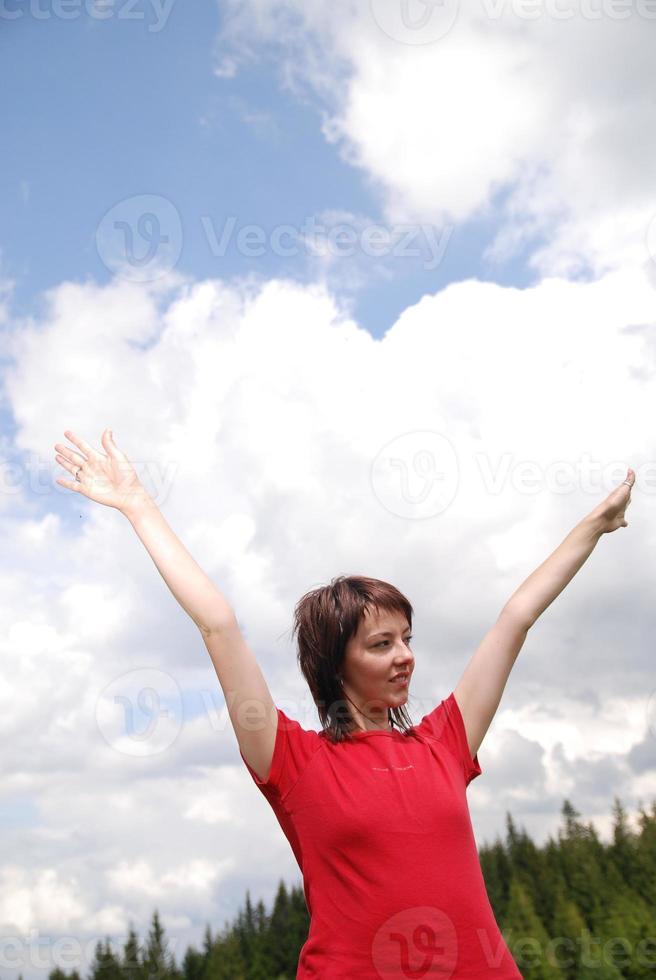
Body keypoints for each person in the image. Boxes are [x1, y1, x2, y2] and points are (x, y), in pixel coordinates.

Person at [54, 428, 635, 979]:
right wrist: (138, 506)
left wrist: (592, 527)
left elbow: (517, 616)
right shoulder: (291, 761)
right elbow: (218, 624)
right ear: (337, 663)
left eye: (407, 639)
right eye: (382, 644)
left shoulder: (445, 744)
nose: (405, 656)